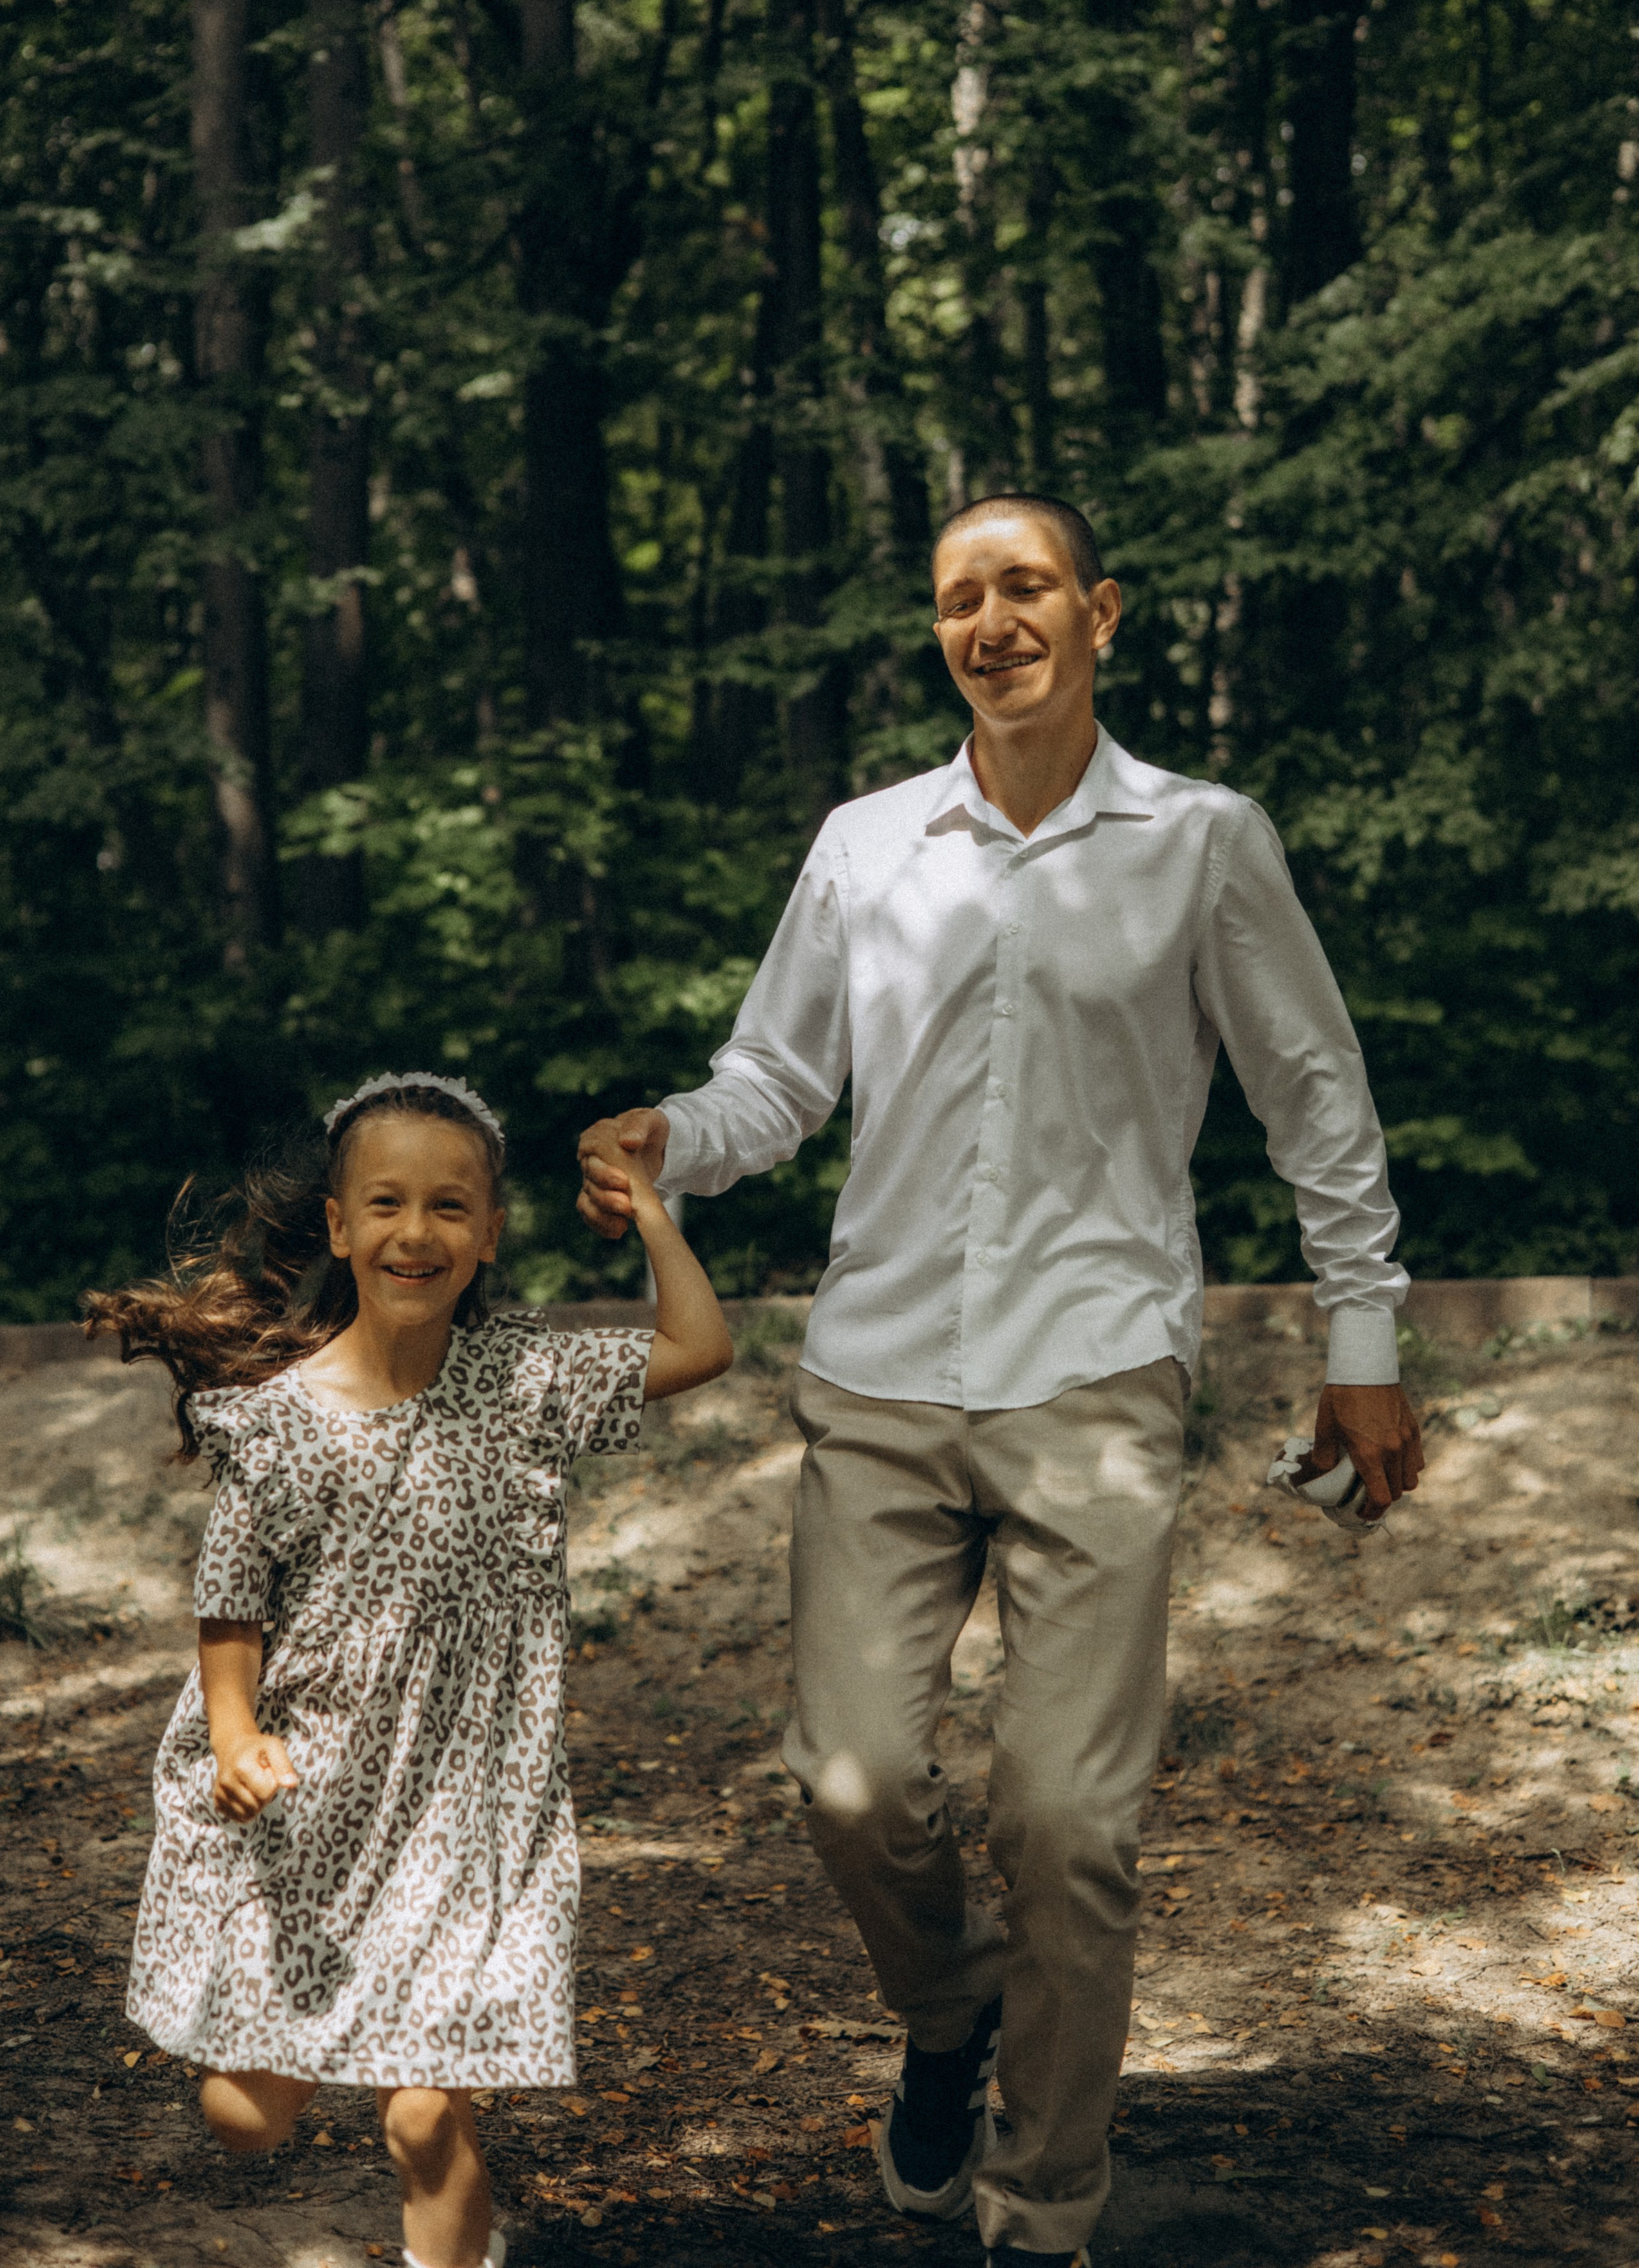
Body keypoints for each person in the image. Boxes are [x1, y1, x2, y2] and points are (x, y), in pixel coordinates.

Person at [576, 495, 1424, 2268]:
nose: (991, 620)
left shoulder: (1200, 842)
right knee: (854, 1782)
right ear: (937, 634)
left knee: (1066, 1819)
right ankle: (951, 2017)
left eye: (1024, 586)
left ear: (1098, 612)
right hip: (879, 1376)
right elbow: (776, 1081)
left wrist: (1363, 1345)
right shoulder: (866, 844)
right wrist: (680, 1137)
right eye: (959, 598)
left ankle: (1040, 2209)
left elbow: (1312, 1094)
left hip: (1096, 1378)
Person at [87, 1070, 730, 2268]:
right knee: (243, 2119)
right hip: (314, 1806)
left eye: (450, 1207)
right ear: (340, 1229)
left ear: (489, 1236)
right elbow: (228, 1606)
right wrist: (234, 1738)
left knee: (428, 2112)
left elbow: (702, 1344)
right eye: (385, 1204)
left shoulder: (527, 1382)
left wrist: (648, 1207)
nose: (416, 1232)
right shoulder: (275, 1423)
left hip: (471, 1807)